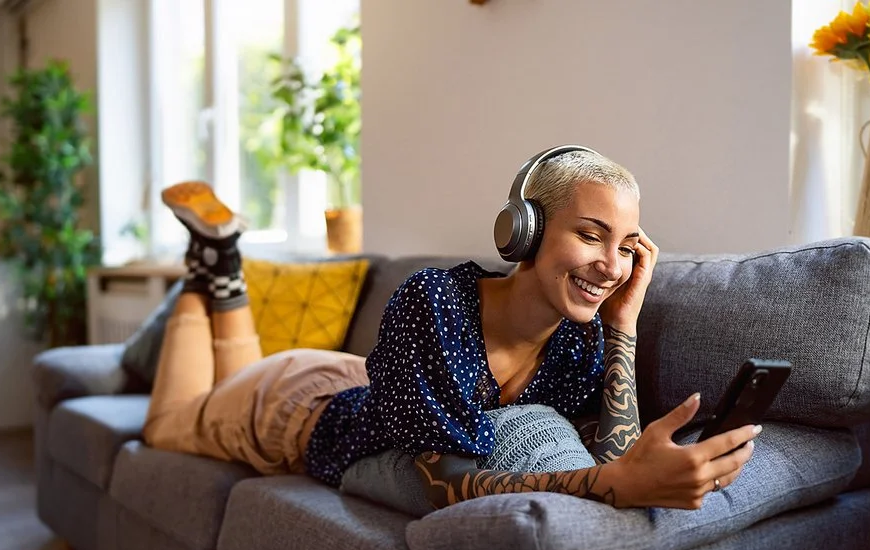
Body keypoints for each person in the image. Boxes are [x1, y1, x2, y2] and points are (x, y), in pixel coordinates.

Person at [142, 147, 760, 511]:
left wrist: (623, 325)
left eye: (626, 247)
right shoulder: (435, 300)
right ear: (525, 231)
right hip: (293, 409)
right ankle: (213, 263)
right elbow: (442, 478)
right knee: (167, 425)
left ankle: (220, 260)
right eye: (590, 235)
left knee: (229, 379)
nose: (611, 266)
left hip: (351, 380)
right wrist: (607, 483)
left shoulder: (581, 339)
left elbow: (619, 460)